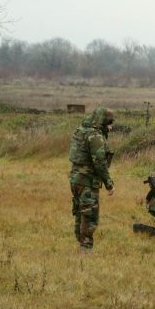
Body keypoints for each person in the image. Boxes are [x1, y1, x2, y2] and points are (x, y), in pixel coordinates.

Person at [68, 107, 115, 251]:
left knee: (80, 212)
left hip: (76, 179)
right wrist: (108, 183)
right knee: (90, 214)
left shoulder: (81, 131)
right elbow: (99, 163)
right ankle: (86, 248)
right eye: (109, 123)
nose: (111, 127)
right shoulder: (95, 136)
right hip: (87, 181)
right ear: (103, 121)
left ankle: (81, 242)